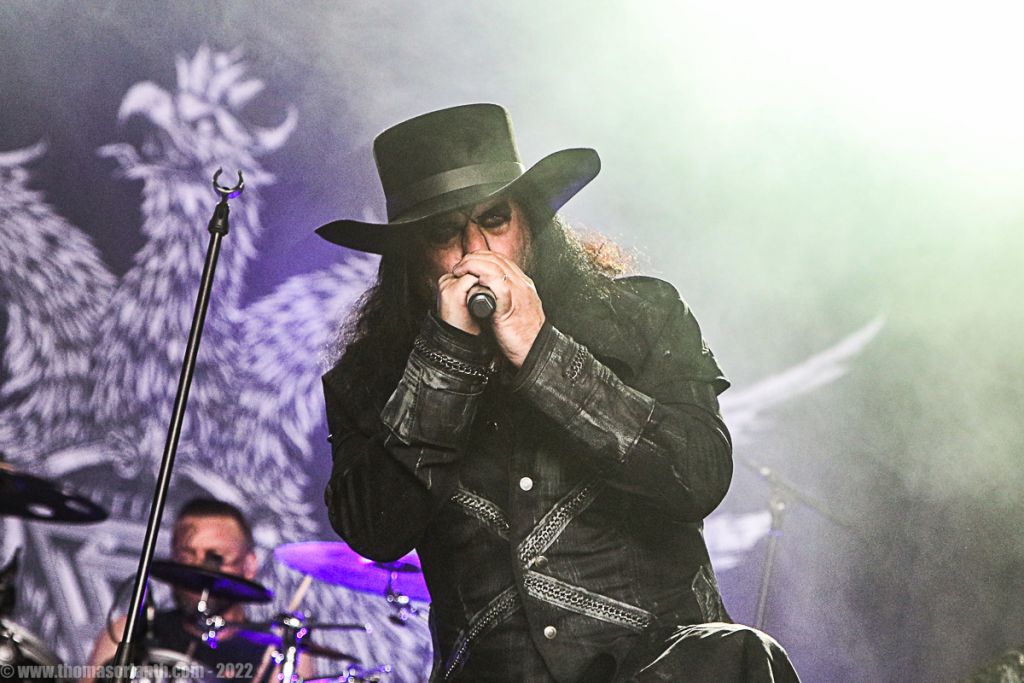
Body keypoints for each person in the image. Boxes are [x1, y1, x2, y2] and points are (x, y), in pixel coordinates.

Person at [317, 103, 801, 682]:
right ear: (412, 258)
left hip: (663, 665)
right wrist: (446, 355)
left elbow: (698, 475)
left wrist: (540, 351)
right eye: (444, 233)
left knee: (740, 654)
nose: (477, 252)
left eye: (495, 220)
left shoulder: (645, 315)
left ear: (529, 221)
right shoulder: (369, 379)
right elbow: (375, 531)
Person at [83, 498, 302, 682]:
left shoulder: (278, 653)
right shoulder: (129, 631)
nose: (199, 571)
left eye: (215, 559)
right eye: (186, 557)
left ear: (249, 566)